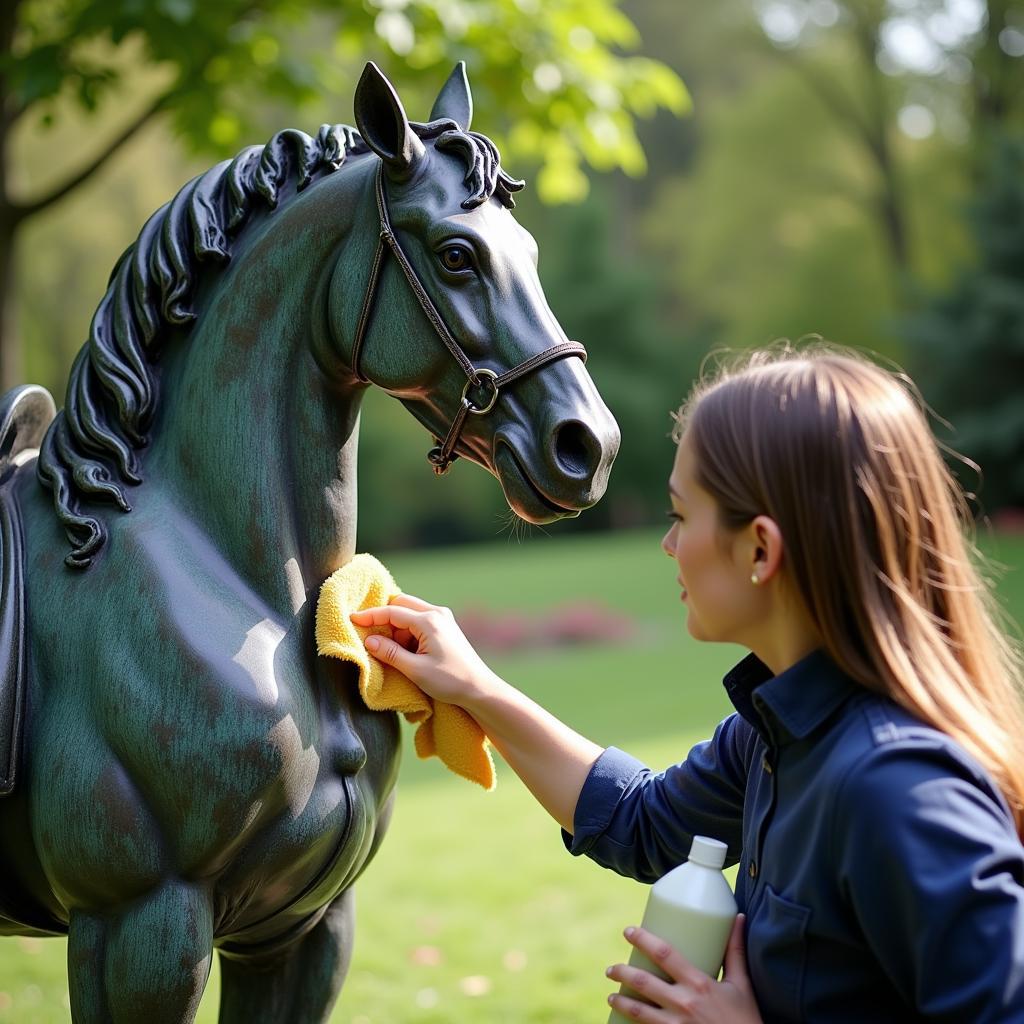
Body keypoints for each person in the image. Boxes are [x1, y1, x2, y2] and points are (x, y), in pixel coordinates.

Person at [350, 344, 1024, 1023]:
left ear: (760, 549)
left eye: (679, 515)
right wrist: (475, 688)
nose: (668, 547)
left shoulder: (900, 790)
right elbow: (644, 822)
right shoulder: (775, 734)